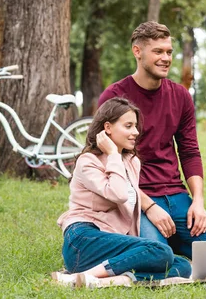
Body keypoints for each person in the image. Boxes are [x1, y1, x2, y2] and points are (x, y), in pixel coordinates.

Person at [97, 21, 206, 259]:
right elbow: (104, 162)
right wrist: (149, 207)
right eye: (158, 51)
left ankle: (174, 238)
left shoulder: (181, 96)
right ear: (138, 52)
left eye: (168, 52)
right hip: (136, 197)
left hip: (176, 196)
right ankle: (165, 242)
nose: (166, 58)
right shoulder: (114, 97)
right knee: (157, 257)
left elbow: (189, 152)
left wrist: (198, 202)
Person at [52, 98, 192, 288]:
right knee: (160, 251)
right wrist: (112, 154)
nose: (135, 132)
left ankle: (110, 280)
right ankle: (85, 275)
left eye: (135, 126)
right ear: (108, 127)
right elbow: (118, 194)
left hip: (112, 246)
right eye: (128, 126)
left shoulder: (131, 161)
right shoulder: (88, 161)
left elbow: (129, 216)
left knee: (181, 264)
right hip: (83, 240)